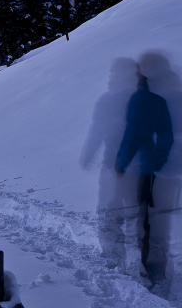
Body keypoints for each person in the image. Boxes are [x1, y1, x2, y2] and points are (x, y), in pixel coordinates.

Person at [115, 63, 174, 291]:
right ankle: (155, 266)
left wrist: (121, 162)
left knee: (142, 218)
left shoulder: (138, 101)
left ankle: (146, 267)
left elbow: (133, 135)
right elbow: (166, 135)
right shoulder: (161, 101)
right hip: (154, 168)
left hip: (141, 169)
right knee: (152, 217)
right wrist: (159, 160)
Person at [81, 58, 140, 269]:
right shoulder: (142, 97)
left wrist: (88, 154)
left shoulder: (111, 99)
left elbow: (98, 129)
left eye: (114, 72)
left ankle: (115, 258)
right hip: (138, 167)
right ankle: (139, 259)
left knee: (110, 214)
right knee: (134, 214)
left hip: (116, 168)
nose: (110, 76)